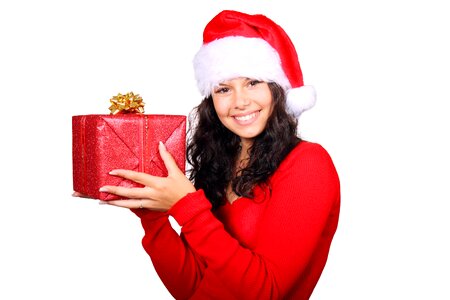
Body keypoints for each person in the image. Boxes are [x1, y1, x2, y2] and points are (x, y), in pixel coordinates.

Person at [89, 10, 340, 300]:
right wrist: (153, 218)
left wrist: (188, 207)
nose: (240, 102)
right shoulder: (220, 165)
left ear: (277, 90)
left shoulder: (308, 163)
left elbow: (267, 292)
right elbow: (192, 289)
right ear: (211, 100)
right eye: (224, 89)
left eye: (253, 82)